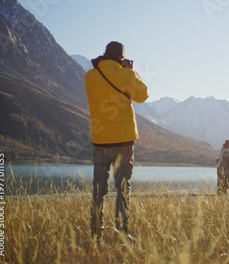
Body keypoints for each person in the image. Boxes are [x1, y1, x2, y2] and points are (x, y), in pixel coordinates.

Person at [85, 41, 149, 243]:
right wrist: (131, 71)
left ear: (105, 54)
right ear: (121, 58)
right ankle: (122, 232)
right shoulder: (127, 75)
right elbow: (142, 95)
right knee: (122, 189)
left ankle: (96, 235)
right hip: (123, 142)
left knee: (98, 190)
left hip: (100, 141)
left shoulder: (90, 77)